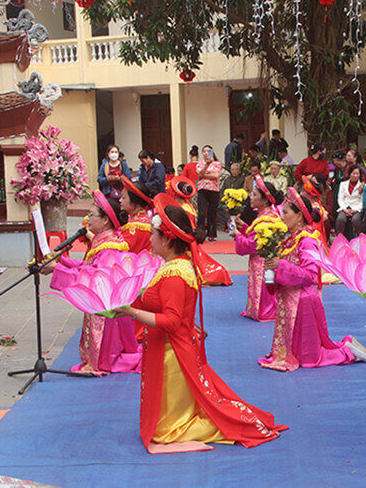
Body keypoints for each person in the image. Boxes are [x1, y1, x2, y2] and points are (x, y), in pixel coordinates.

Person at [117, 193, 286, 452]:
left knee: (165, 431)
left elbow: (171, 321)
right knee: (169, 420)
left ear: (167, 239)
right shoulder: (175, 266)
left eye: (153, 234)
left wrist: (131, 312)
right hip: (170, 349)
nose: (149, 239)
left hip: (172, 354)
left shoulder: (175, 274)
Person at [260, 187, 366, 371]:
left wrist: (280, 265)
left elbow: (310, 275)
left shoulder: (307, 240)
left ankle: (348, 352)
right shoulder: (291, 239)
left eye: (285, 213)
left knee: (309, 359)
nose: (281, 216)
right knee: (295, 354)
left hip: (302, 302)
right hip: (289, 300)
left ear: (299, 216)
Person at [44, 191, 141, 376]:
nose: (87, 220)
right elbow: (88, 267)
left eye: (91, 215)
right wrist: (61, 261)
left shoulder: (109, 247)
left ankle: (104, 361)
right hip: (108, 306)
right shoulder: (105, 240)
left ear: (105, 220)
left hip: (108, 311)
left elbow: (94, 279)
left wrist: (57, 269)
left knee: (109, 356)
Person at [231, 175, 282, 322]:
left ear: (264, 200)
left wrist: (237, 235)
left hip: (262, 262)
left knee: (262, 289)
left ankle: (263, 310)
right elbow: (255, 237)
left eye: (254, 194)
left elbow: (252, 245)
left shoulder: (264, 219)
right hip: (265, 260)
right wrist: (244, 228)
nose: (250, 197)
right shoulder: (268, 215)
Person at [119, 175, 154, 254]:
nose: (120, 200)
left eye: (123, 197)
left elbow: (121, 250)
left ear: (134, 200)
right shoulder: (143, 219)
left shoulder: (135, 226)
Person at [196, 145, 222, 242]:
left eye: (208, 151)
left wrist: (204, 175)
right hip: (202, 189)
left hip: (214, 190)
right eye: (204, 151)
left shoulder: (217, 164)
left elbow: (216, 175)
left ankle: (211, 234)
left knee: (212, 213)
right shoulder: (200, 163)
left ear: (212, 152)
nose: (206, 153)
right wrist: (207, 165)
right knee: (201, 213)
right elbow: (199, 174)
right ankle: (200, 234)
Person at [335, 164, 366, 240]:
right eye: (353, 173)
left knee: (356, 219)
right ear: (349, 174)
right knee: (340, 219)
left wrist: (356, 210)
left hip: (356, 207)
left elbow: (362, 200)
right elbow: (340, 198)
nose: (355, 175)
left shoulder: (362, 186)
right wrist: (344, 209)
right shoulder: (343, 184)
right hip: (345, 207)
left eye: (357, 174)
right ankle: (339, 238)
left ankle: (358, 238)